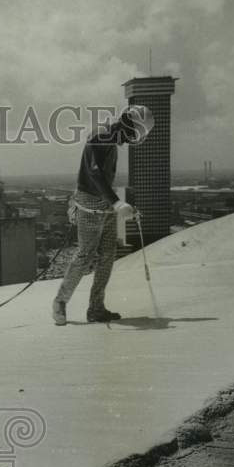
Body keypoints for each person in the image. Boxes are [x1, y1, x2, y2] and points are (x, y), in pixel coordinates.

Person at [51, 104, 154, 325]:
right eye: (135, 134)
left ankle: (96, 309)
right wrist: (116, 203)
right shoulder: (101, 134)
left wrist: (120, 205)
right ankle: (60, 302)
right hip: (89, 200)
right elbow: (94, 172)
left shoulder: (111, 139)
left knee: (107, 254)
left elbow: (103, 179)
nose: (131, 141)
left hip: (104, 201)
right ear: (128, 125)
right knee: (85, 255)